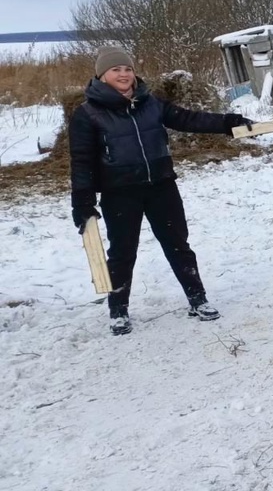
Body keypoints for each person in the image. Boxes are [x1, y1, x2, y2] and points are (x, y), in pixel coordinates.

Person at [69, 47, 253, 336]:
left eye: (127, 69)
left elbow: (189, 119)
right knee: (122, 252)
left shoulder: (150, 103)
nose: (124, 74)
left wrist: (227, 122)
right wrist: (83, 202)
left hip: (161, 187)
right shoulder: (88, 113)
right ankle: (118, 311)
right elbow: (81, 160)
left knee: (178, 244)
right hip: (120, 193)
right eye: (116, 70)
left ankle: (197, 298)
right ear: (102, 75)